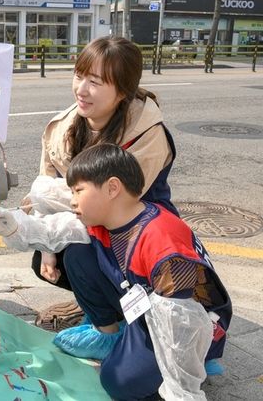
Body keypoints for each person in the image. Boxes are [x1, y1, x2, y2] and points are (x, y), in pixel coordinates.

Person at [0, 36, 178, 330]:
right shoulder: (62, 128)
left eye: (95, 82)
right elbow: (46, 186)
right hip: (91, 221)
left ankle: (109, 330)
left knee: (79, 254)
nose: (81, 89)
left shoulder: (146, 135)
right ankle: (103, 304)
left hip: (137, 234)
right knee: (48, 258)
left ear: (123, 92)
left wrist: (35, 231)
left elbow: (111, 211)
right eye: (79, 76)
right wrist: (47, 246)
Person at [54, 143, 231, 400]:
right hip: (147, 305)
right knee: (77, 254)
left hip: (189, 326)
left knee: (117, 381)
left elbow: (181, 323)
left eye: (78, 190)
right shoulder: (112, 219)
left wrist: (180, 387)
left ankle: (200, 359)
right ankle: (114, 337)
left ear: (112, 188)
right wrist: (14, 225)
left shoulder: (162, 241)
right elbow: (53, 230)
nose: (72, 201)